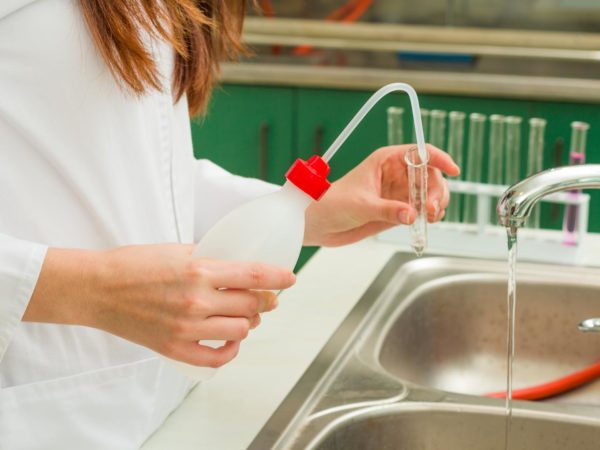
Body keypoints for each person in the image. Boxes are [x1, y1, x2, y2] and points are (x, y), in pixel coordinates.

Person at [0, 0, 459, 448]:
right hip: (37, 415)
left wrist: (303, 210)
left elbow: (148, 171)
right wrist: (92, 289)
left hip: (158, 408)